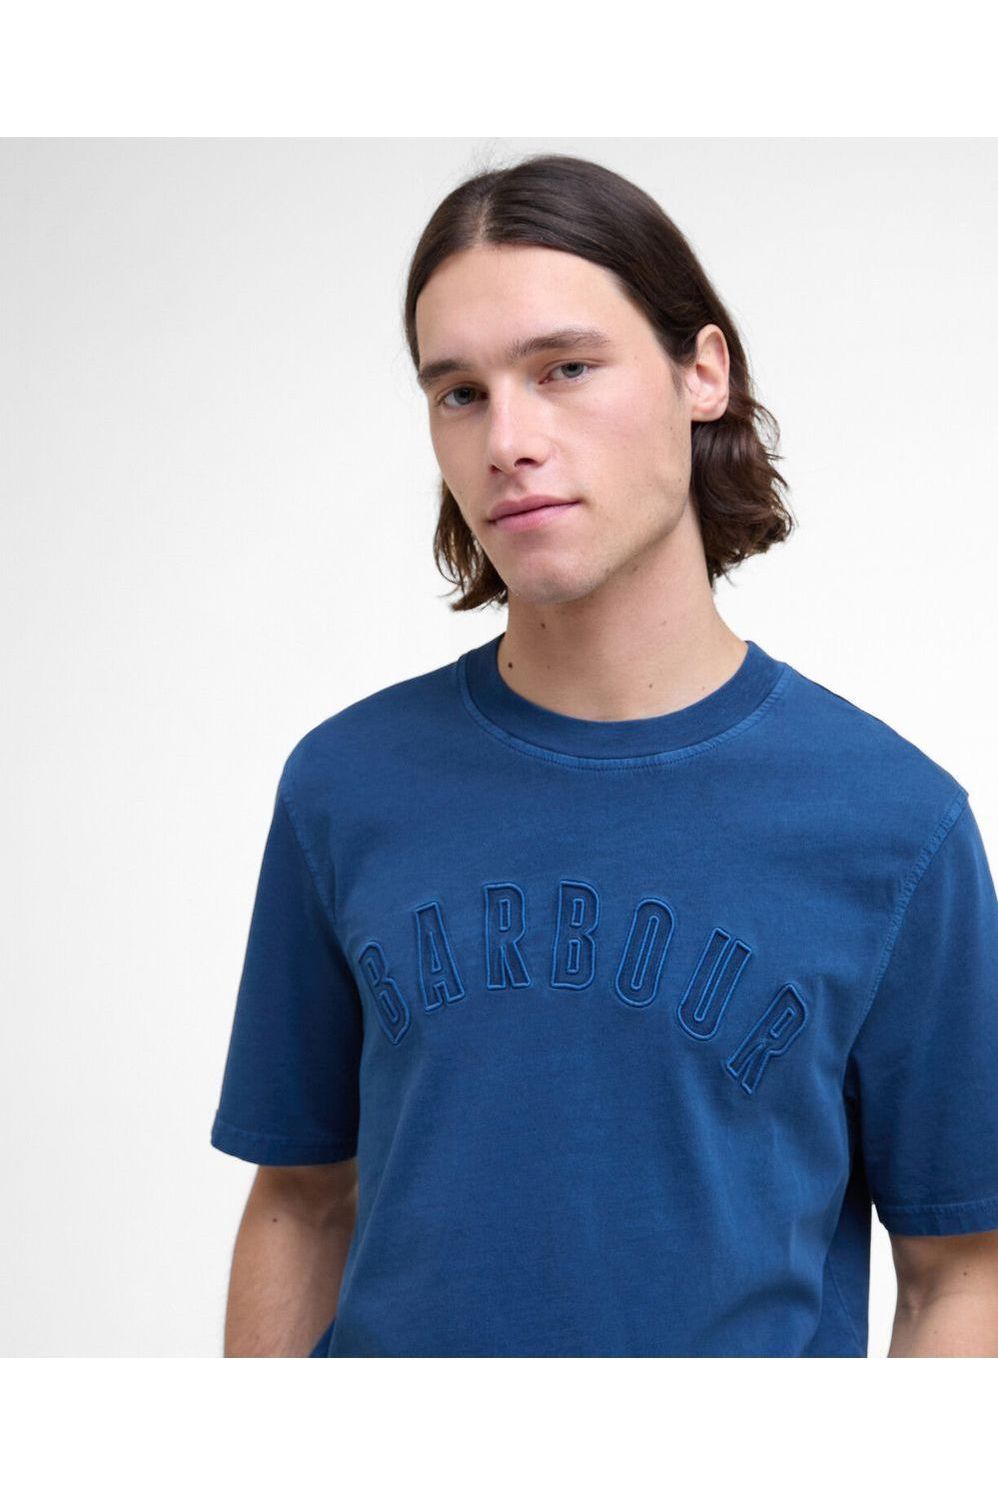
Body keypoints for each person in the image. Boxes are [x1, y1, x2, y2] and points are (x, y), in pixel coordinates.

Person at [210, 152, 998, 1358]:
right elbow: (299, 1201)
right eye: (458, 392)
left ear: (700, 372)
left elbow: (959, 1275)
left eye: (563, 369)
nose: (507, 439)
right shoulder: (345, 786)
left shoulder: (895, 824)